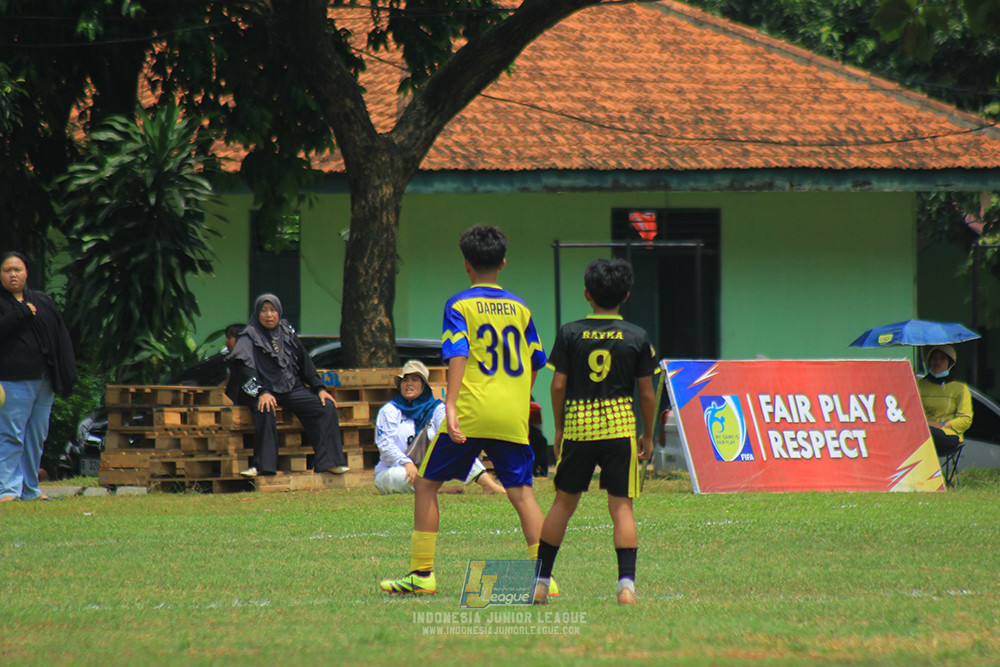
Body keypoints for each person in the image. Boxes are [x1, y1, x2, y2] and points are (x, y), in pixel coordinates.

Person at [379, 224, 550, 595]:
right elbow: (537, 359)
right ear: (502, 263)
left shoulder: (459, 304)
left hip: (472, 411)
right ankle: (544, 578)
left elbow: (458, 351)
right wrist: (519, 396)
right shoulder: (521, 309)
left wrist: (451, 405)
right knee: (522, 493)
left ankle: (422, 575)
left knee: (426, 486)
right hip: (510, 413)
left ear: (466, 265)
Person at [534, 257, 658, 606]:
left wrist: (559, 428)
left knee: (562, 504)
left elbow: (558, 385)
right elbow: (647, 394)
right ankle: (626, 588)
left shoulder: (570, 332)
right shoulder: (637, 336)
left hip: (579, 428)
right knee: (621, 508)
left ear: (587, 294)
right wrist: (648, 434)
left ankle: (541, 584)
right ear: (627, 294)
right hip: (619, 428)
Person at [225, 294, 348, 477]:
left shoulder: (287, 333)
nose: (269, 315)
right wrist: (261, 393)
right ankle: (263, 466)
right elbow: (244, 371)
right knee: (265, 408)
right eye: (264, 311)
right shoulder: (248, 336)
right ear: (257, 313)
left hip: (288, 387)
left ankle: (328, 462)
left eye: (272, 310)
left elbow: (305, 361)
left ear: (279, 312)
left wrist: (319, 388)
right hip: (259, 390)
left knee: (325, 406)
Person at [0, 252, 77, 502]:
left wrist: (64, 374)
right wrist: (20, 313)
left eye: (18, 270)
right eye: (7, 270)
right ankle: (8, 490)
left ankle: (30, 489)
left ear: (26, 273)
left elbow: (59, 336)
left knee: (36, 436)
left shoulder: (42, 301)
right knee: (11, 434)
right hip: (13, 380)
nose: (13, 274)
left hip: (45, 381)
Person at [374, 359, 505, 495]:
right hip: (396, 469)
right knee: (399, 476)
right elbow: (385, 445)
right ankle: (438, 490)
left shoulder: (437, 408)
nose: (409, 384)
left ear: (424, 385)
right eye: (405, 380)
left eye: (415, 380)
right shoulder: (389, 410)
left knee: (458, 448)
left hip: (428, 468)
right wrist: (406, 463)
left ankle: (489, 486)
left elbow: (447, 433)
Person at [917, 344, 972, 457]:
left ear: (950, 363)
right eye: (935, 358)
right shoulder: (919, 385)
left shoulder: (960, 388)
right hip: (922, 432)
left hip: (948, 434)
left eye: (943, 358)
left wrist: (942, 424)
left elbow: (966, 419)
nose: (938, 362)